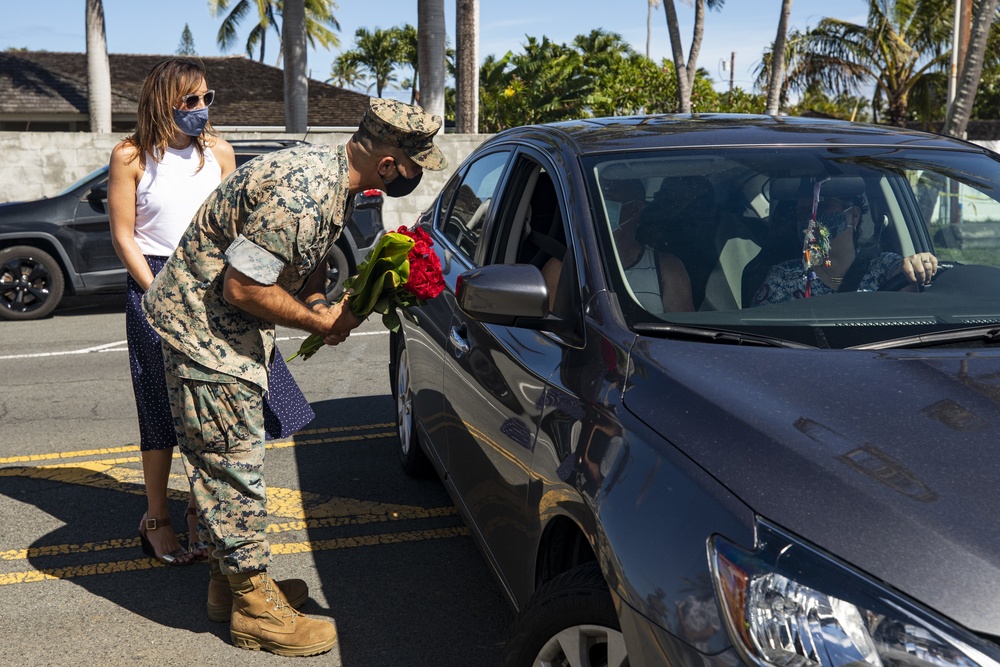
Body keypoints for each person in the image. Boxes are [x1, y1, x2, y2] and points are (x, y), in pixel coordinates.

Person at [141, 98, 447, 656]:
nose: (416, 175)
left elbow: (299, 260)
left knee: (223, 462)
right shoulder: (303, 194)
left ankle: (225, 588)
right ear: (387, 165)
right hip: (207, 337)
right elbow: (243, 287)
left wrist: (312, 295)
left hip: (224, 331)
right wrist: (318, 320)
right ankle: (256, 611)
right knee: (233, 466)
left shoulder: (333, 182)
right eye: (414, 165)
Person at [108, 57, 314, 577]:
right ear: (162, 102)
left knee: (235, 400)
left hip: (219, 284)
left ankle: (205, 509)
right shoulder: (130, 156)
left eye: (207, 99)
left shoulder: (219, 152)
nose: (201, 110)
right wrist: (159, 293)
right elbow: (123, 235)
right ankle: (156, 519)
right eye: (190, 101)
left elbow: (242, 230)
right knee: (161, 405)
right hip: (155, 285)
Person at [751, 193, 938, 306]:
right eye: (803, 212)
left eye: (821, 208)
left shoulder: (883, 267)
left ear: (853, 216)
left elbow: (906, 277)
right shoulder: (783, 278)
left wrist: (918, 264)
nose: (812, 218)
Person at [544, 178, 694, 313]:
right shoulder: (564, 268)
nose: (598, 206)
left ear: (635, 209)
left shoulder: (666, 268)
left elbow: (684, 338)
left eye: (608, 198)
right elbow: (550, 336)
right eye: (595, 199)